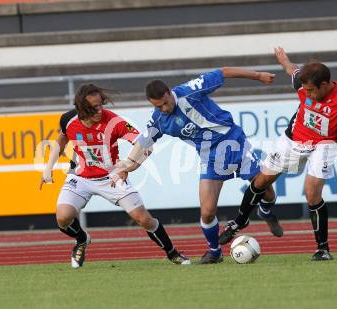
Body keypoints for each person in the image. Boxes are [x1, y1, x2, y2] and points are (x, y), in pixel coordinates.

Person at [111, 67, 283, 264]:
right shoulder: (158, 119)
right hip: (210, 158)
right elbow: (142, 144)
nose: (164, 109)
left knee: (267, 193)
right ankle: (214, 251)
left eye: (166, 103)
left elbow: (224, 72)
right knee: (207, 212)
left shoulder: (191, 90)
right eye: (158, 107)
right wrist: (126, 168)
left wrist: (258, 76)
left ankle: (266, 212)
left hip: (234, 144)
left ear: (169, 92)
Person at [219, 47, 337, 261]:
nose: (306, 94)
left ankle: (323, 249)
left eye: (311, 91)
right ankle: (240, 220)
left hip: (325, 144)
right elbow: (291, 69)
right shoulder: (302, 81)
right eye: (305, 90)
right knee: (262, 180)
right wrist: (284, 60)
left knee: (311, 192)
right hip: (294, 138)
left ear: (325, 84)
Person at [39, 84, 190, 268]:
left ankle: (172, 253)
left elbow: (145, 144)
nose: (100, 110)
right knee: (62, 217)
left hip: (112, 178)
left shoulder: (114, 121)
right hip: (81, 178)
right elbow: (60, 141)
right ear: (81, 109)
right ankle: (82, 239)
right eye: (94, 107)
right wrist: (48, 169)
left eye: (101, 104)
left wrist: (126, 167)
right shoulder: (68, 120)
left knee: (143, 218)